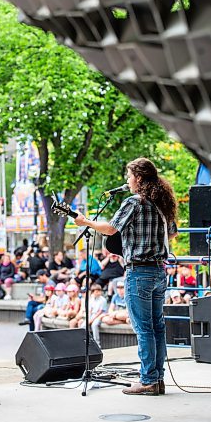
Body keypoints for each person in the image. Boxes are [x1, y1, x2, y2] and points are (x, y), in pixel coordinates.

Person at [74, 157, 177, 396]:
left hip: (139, 272)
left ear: (139, 178)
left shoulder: (134, 202)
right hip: (159, 271)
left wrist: (84, 221)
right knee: (157, 328)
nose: (127, 181)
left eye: (129, 176)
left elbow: (111, 229)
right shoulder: (162, 204)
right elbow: (171, 235)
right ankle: (157, 379)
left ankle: (149, 380)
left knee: (144, 329)